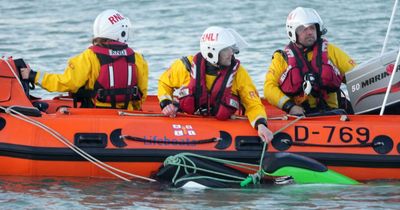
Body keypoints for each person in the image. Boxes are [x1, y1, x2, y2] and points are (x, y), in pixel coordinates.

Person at [157, 26, 274, 143]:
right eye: (226, 49)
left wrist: (261, 125)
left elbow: (253, 103)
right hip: (188, 119)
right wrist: (166, 103)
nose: (231, 53)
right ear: (211, 52)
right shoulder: (186, 67)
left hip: (222, 124)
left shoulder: (238, 73)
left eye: (231, 48)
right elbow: (164, 83)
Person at [21, 9, 148, 110]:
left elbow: (66, 83)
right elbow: (142, 93)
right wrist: (134, 110)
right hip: (127, 113)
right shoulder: (137, 59)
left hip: (95, 114)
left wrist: (33, 76)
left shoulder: (88, 57)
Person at [264, 7, 357, 115]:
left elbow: (356, 75)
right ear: (293, 33)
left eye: (312, 28)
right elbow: (268, 88)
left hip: (334, 114)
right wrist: (289, 106)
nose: (309, 32)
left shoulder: (331, 51)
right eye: (304, 29)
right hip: (301, 117)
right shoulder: (282, 58)